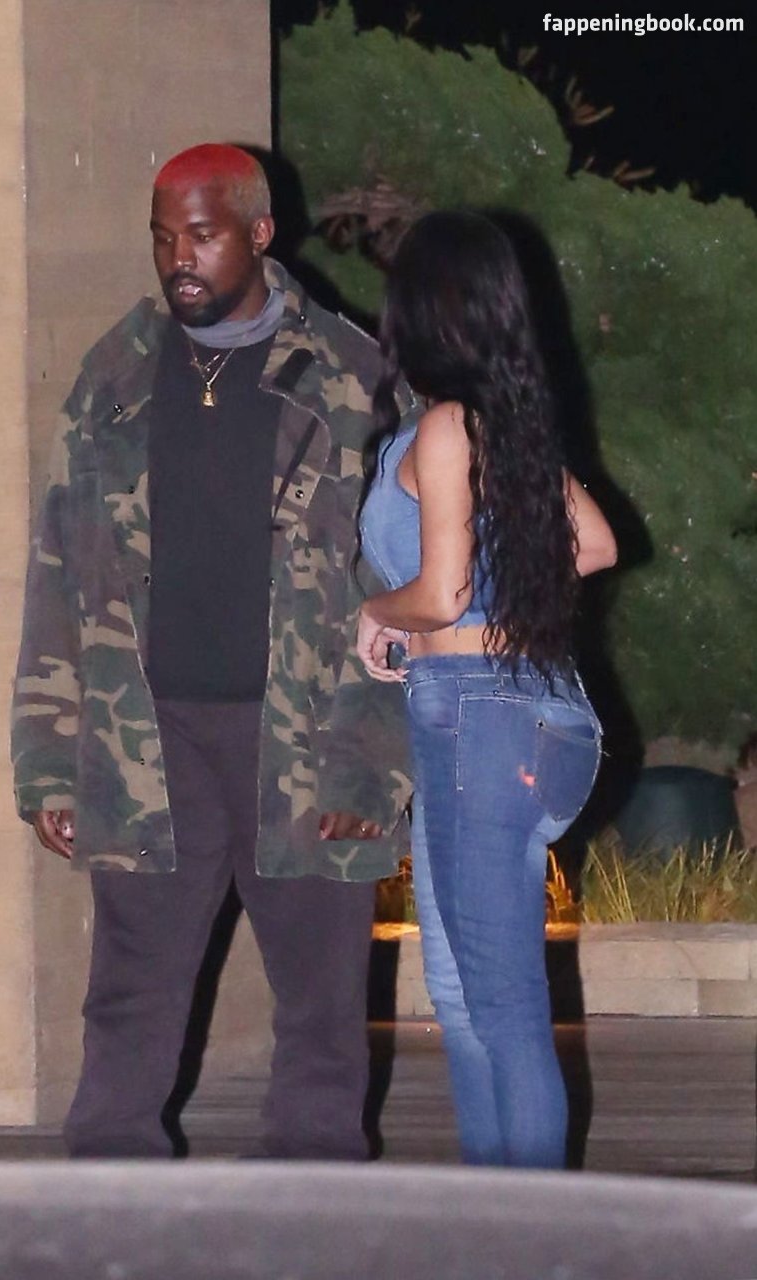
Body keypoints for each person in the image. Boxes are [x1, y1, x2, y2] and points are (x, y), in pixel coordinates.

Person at [11, 143, 412, 1159]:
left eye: (201, 235)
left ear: (260, 234)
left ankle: (313, 1186)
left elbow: (404, 591)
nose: (178, 259)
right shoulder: (113, 377)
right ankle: (112, 1183)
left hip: (306, 740)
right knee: (129, 988)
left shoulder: (352, 378)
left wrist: (373, 757)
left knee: (321, 997)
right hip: (147, 739)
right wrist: (50, 757)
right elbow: (59, 568)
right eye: (162, 238)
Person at [356, 209, 618, 1169]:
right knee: (464, 995)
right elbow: (597, 543)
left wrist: (377, 612)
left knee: (498, 1003)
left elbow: (441, 592)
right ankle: (492, 1210)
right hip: (523, 711)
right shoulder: (502, 429)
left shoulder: (441, 430)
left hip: (477, 716)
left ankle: (529, 1228)